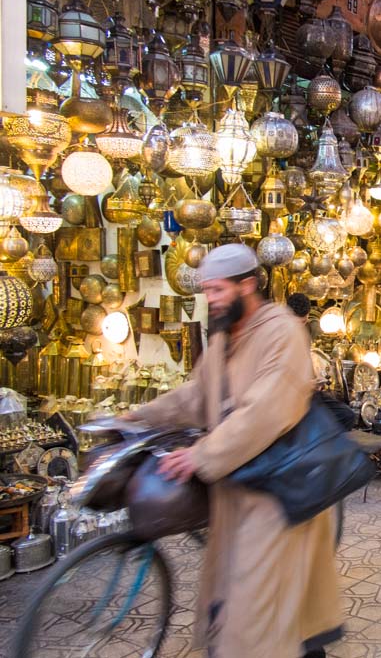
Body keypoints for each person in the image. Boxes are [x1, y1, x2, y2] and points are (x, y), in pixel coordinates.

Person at [126, 244, 341, 658]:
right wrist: (140, 418)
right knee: (261, 606)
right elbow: (198, 395)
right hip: (237, 489)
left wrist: (201, 455)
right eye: (207, 291)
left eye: (218, 290)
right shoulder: (226, 337)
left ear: (247, 285)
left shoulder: (282, 331)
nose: (211, 299)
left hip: (277, 494)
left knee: (254, 613)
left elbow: (266, 410)